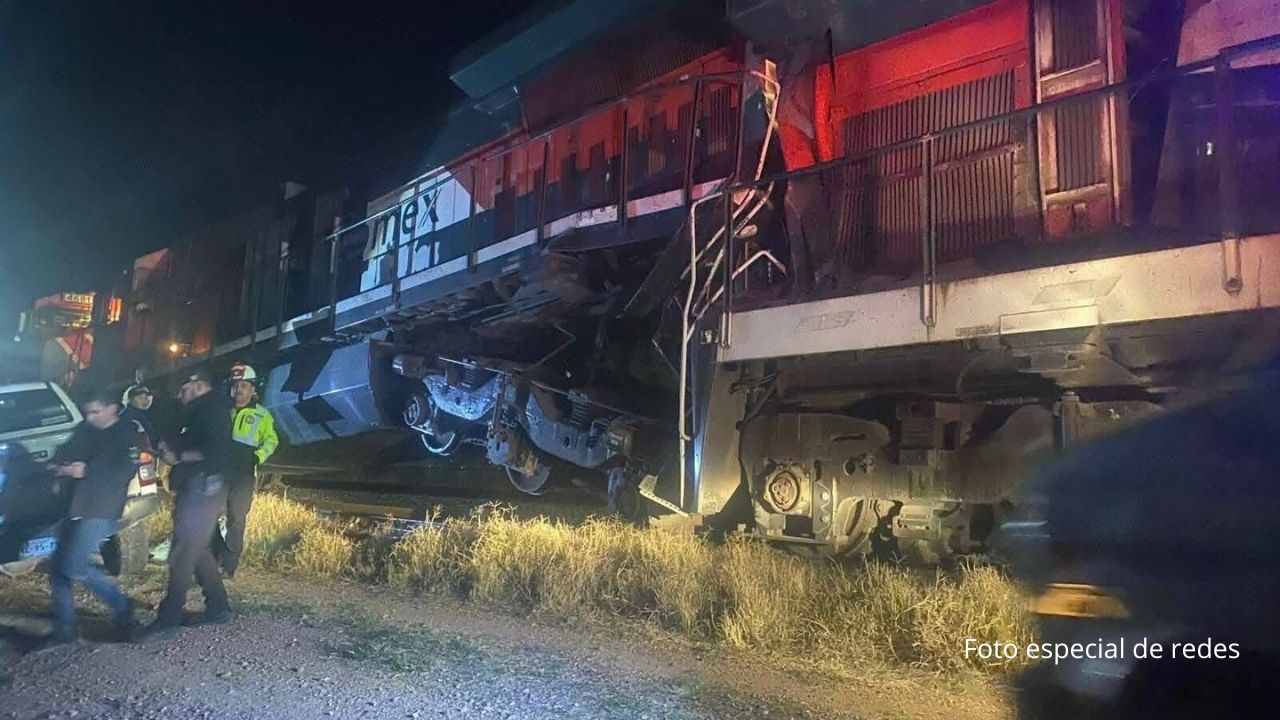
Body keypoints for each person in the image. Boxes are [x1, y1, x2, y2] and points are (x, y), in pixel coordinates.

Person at [43, 386, 145, 646]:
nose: (90, 417)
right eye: (87, 412)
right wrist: (58, 465)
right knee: (58, 567)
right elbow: (65, 451)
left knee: (73, 565)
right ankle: (65, 630)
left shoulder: (126, 433)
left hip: (101, 507)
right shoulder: (86, 430)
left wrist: (86, 471)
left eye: (96, 412)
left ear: (112, 408)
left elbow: (124, 471)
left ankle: (123, 608)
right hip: (73, 505)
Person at [138, 367, 233, 639]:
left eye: (184, 388)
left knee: (181, 553)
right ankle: (218, 607)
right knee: (197, 548)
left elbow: (212, 451)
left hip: (204, 487)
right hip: (199, 487)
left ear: (200, 386)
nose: (180, 393)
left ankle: (168, 619)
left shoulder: (211, 411)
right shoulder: (200, 410)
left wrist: (177, 455)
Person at [213, 362, 278, 578]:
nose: (238, 390)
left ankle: (228, 566)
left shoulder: (262, 415)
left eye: (243, 386)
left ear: (252, 389)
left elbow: (271, 440)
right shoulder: (221, 412)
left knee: (237, 519)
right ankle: (216, 555)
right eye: (235, 385)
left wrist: (258, 456)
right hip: (219, 470)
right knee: (208, 515)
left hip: (243, 474)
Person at [121, 384, 157, 448]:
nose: (145, 401)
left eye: (146, 397)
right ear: (130, 400)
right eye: (140, 398)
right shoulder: (130, 417)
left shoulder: (144, 414)